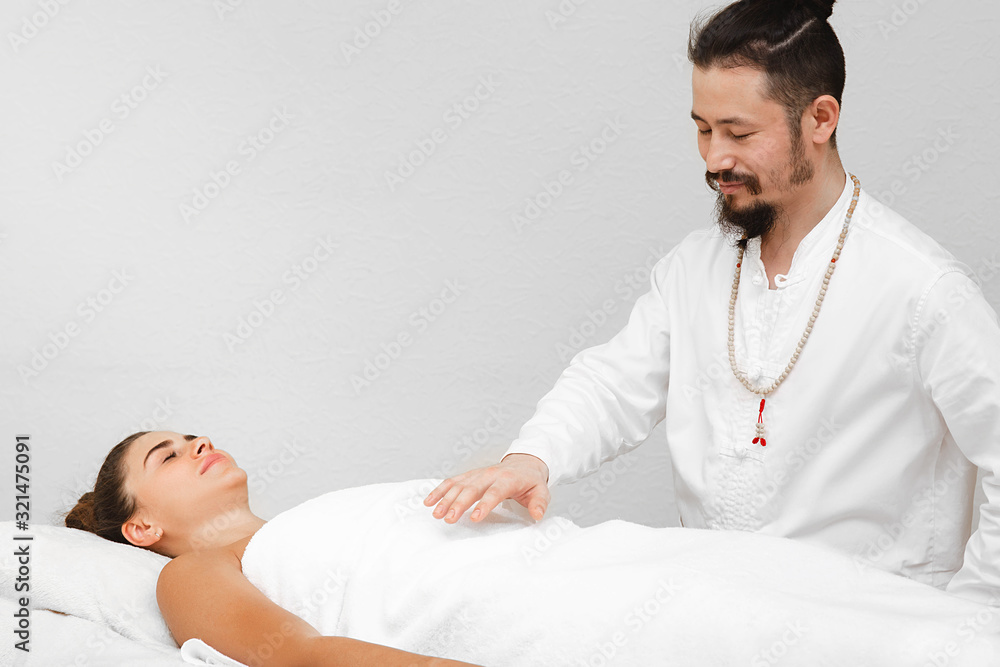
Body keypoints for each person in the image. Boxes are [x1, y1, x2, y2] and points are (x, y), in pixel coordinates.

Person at [424, 0, 1000, 607]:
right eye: (703, 129)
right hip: (713, 620)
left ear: (820, 119)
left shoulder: (922, 287)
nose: (714, 159)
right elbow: (612, 384)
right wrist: (532, 458)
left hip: (871, 628)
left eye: (739, 133)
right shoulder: (693, 267)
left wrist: (970, 617)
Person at [64, 430, 1000, 667]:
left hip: (606, 559)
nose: (194, 443)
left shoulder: (319, 512)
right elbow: (297, 654)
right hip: (557, 620)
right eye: (164, 455)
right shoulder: (197, 572)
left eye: (190, 433)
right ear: (140, 527)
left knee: (830, 594)